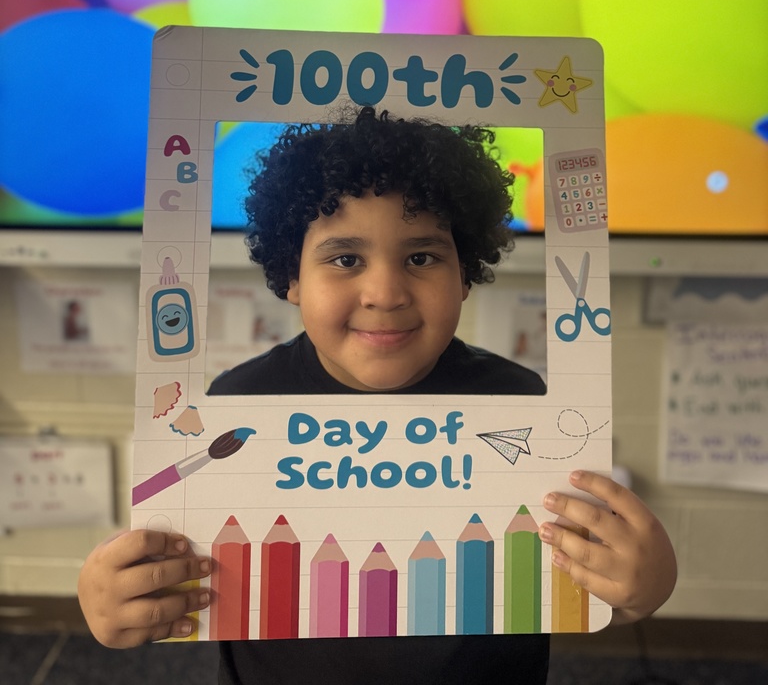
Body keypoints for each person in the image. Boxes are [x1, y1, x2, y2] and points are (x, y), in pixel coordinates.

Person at [78, 107, 677, 684]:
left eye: (421, 256)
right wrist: (121, 596)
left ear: (465, 273)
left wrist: (642, 589)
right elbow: (179, 576)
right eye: (344, 258)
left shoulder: (523, 404)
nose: (385, 292)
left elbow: (578, 582)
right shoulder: (234, 408)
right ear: (291, 275)